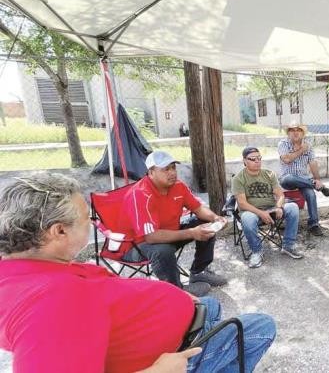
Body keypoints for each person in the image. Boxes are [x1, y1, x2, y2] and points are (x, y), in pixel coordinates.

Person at [0, 173, 276, 372]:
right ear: (59, 231)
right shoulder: (52, 305)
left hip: (167, 321)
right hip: (170, 356)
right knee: (261, 325)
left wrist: (169, 298)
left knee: (210, 305)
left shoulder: (22, 270)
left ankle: (196, 285)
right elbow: (152, 238)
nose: (92, 223)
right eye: (87, 218)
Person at [120, 150, 228, 297]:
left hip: (170, 235)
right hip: (136, 246)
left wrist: (215, 218)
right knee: (162, 250)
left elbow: (198, 208)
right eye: (166, 169)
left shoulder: (178, 186)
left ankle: (199, 272)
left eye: (173, 168)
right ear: (151, 172)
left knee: (206, 224)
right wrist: (191, 232)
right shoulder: (140, 194)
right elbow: (151, 237)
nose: (172, 173)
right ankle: (176, 292)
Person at [233, 147, 304, 268]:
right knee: (247, 218)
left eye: (259, 158)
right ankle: (257, 251)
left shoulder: (269, 174)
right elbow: (242, 204)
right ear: (244, 161)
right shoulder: (238, 179)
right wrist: (261, 213)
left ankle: (288, 246)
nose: (257, 161)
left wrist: (278, 207)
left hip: (271, 209)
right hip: (252, 212)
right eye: (253, 159)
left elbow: (280, 195)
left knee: (292, 207)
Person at [278, 121, 329, 237]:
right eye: (292, 130)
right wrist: (302, 150)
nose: (296, 132)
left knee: (311, 194)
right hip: (287, 179)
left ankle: (314, 224)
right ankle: (316, 185)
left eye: (299, 130)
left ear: (303, 133)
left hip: (303, 180)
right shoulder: (283, 144)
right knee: (290, 178)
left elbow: (312, 163)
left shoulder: (308, 145)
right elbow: (287, 160)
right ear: (288, 133)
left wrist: (317, 179)